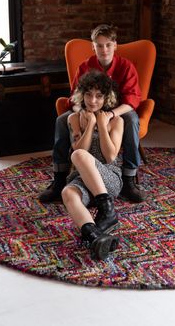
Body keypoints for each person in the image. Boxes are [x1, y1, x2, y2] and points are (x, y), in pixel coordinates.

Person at [39, 23, 146, 204]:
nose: (104, 49)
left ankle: (128, 179)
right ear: (93, 46)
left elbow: (132, 100)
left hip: (116, 111)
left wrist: (110, 115)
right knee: (60, 120)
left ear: (115, 45)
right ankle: (59, 178)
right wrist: (82, 113)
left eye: (108, 45)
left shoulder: (126, 66)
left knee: (132, 120)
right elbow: (74, 97)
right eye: (99, 45)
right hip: (87, 108)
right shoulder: (84, 66)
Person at [62, 70, 123, 260]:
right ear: (82, 95)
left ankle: (107, 208)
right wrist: (90, 124)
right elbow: (80, 149)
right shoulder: (73, 119)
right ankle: (95, 237)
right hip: (84, 178)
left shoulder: (117, 121)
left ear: (106, 98)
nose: (93, 101)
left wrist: (102, 126)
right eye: (88, 94)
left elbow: (110, 156)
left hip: (109, 179)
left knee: (80, 155)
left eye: (98, 96)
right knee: (67, 192)